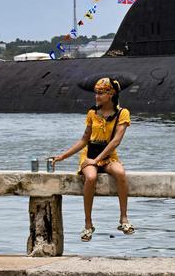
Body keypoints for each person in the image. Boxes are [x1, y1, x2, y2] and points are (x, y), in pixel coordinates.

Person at [51, 77, 133, 242]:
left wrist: (98, 161)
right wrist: (63, 156)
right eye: (96, 93)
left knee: (121, 173)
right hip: (89, 155)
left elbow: (116, 141)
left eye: (101, 93)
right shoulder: (92, 113)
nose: (97, 96)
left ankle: (123, 218)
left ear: (111, 94)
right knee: (91, 177)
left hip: (108, 156)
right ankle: (88, 224)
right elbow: (84, 140)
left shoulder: (122, 114)